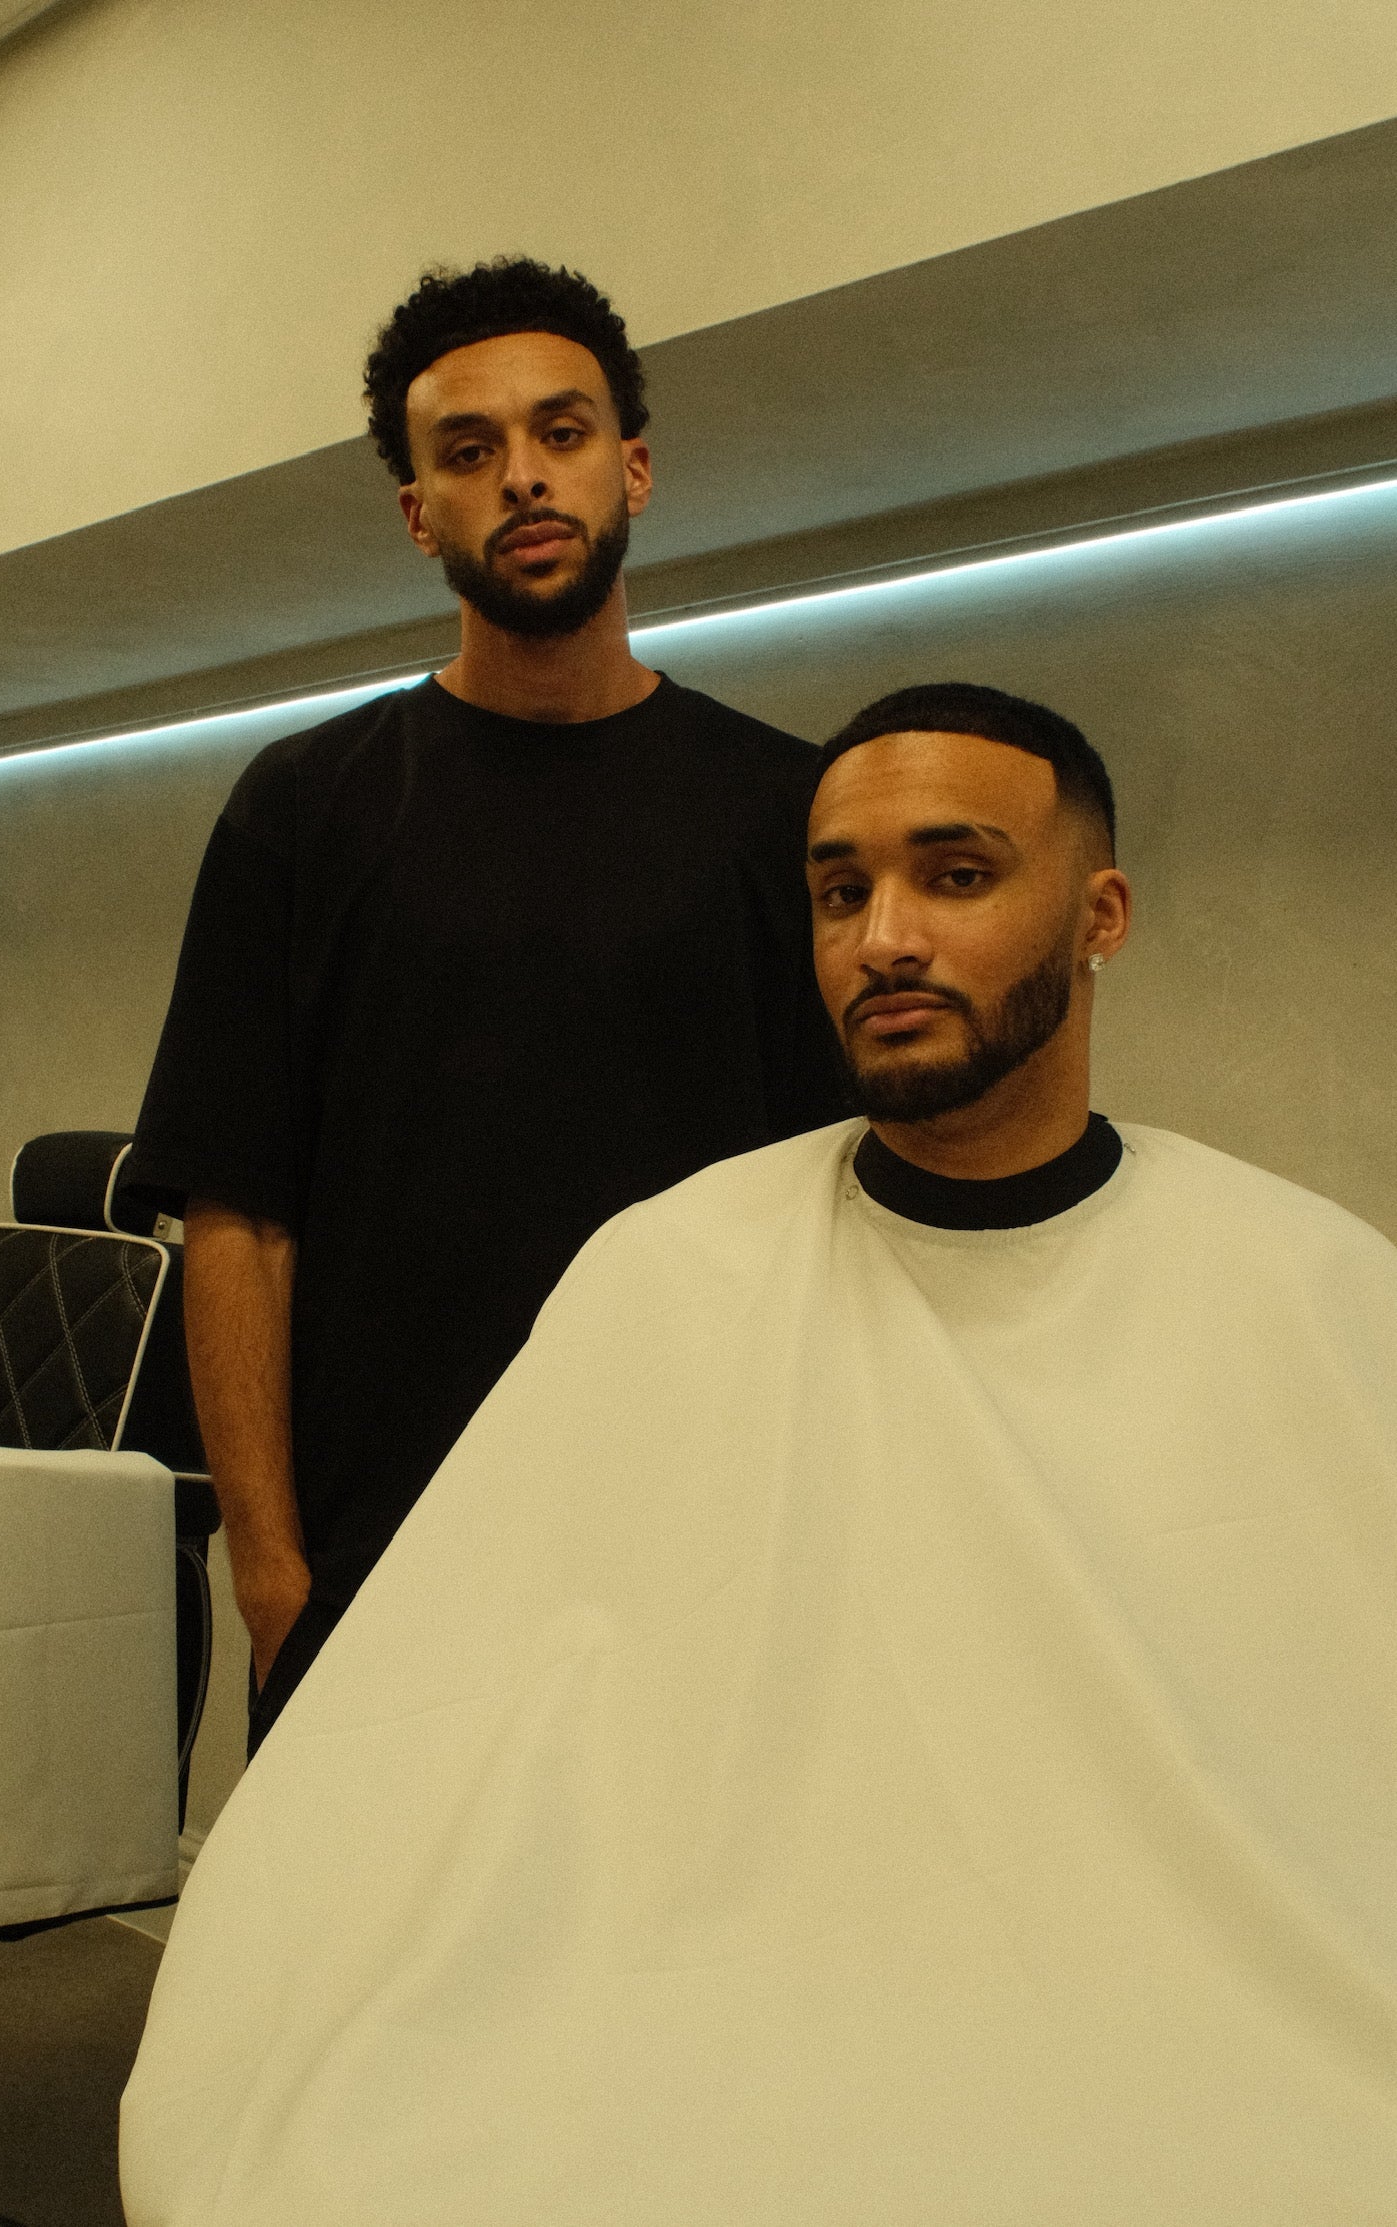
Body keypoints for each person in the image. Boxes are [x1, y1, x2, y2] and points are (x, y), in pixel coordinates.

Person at [120, 682, 1396, 2226]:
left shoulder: (1305, 1289)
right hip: (721, 1965)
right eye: (839, 892)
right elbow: (474, 1709)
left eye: (957, 874)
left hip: (1169, 1987)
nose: (884, 940)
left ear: (1098, 913)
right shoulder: (669, 1271)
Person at [121, 258, 846, 1752]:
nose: (521, 473)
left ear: (630, 465)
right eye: (467, 451)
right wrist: (268, 1570)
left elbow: (842, 1205)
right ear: (418, 514)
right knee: (363, 1985)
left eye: (562, 430)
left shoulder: (785, 812)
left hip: (707, 1548)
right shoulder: (305, 812)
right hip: (383, 1556)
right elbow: (237, 1219)